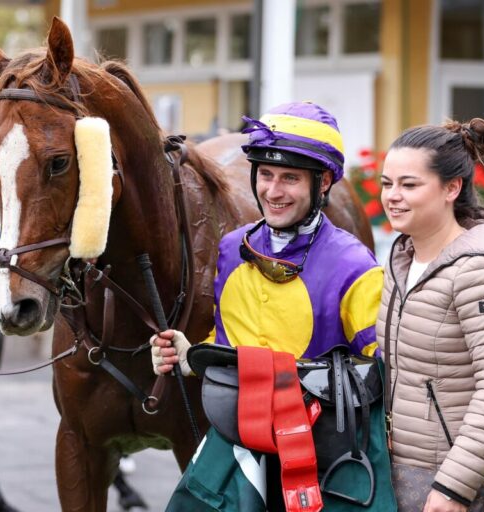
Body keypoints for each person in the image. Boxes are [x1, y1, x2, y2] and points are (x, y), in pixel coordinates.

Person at [151, 101, 390, 510]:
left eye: (290, 178)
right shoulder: (232, 248)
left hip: (319, 459)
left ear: (325, 182)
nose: (273, 192)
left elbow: (381, 372)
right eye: (265, 175)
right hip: (233, 442)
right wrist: (191, 355)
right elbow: (227, 339)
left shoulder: (355, 266)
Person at [376, 118, 484, 512]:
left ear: (452, 188)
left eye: (409, 185)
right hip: (410, 478)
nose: (392, 197)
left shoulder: (482, 269)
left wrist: (454, 488)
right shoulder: (402, 258)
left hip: (474, 489)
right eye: (386, 184)